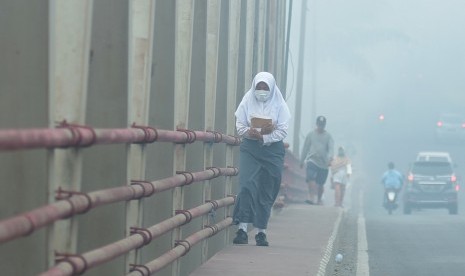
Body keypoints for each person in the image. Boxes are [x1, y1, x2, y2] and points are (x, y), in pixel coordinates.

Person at [232, 72, 291, 247]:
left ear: (272, 88)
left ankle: (261, 231)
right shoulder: (247, 100)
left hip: (272, 150)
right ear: (254, 87)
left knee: (268, 187)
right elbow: (239, 125)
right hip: (250, 148)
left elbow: (283, 130)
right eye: (259, 87)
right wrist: (248, 132)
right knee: (246, 185)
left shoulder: (280, 105)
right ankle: (242, 228)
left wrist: (265, 136)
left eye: (266, 87)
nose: (262, 91)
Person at [300, 116, 334, 205]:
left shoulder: (328, 136)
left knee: (320, 183)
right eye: (319, 125)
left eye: (322, 125)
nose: (320, 127)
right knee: (310, 177)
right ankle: (311, 197)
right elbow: (305, 148)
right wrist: (301, 160)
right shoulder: (311, 135)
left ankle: (319, 199)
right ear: (317, 124)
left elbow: (331, 148)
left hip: (323, 163)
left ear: (324, 125)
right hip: (312, 160)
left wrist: (330, 158)